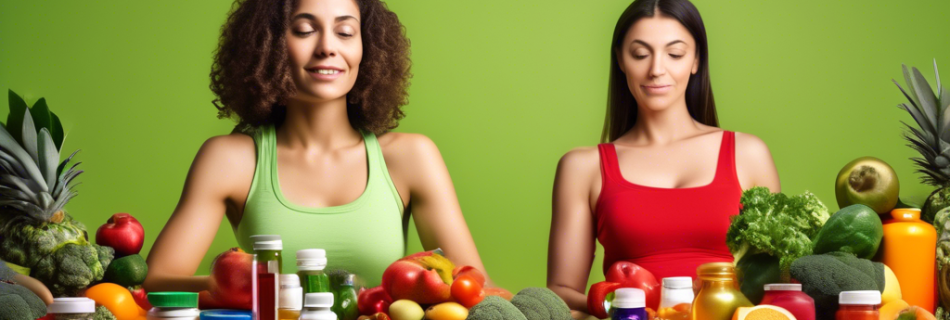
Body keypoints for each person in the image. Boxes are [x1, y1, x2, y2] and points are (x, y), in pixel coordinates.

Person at [143, 0, 491, 292]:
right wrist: (260, 286)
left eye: (345, 32)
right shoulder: (231, 160)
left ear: (365, 49)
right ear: (270, 44)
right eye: (305, 30)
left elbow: (475, 289)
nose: (327, 46)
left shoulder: (410, 157)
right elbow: (156, 282)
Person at [546, 0, 780, 316]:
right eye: (640, 54)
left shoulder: (748, 154)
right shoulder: (582, 168)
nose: (657, 69)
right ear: (620, 60)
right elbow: (560, 294)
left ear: (696, 59)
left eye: (675, 54)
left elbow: (778, 278)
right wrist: (628, 310)